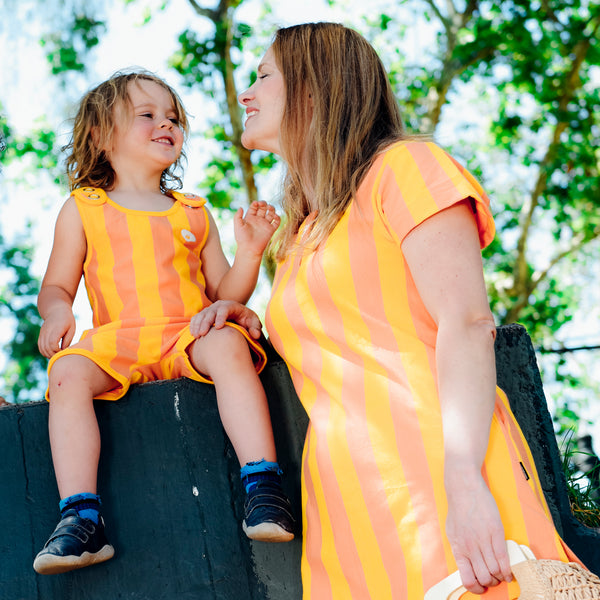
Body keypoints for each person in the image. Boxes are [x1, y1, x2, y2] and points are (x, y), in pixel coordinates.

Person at [227, 21, 588, 599]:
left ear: (316, 89)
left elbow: (467, 322)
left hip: (443, 487)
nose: (246, 93)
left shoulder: (406, 168)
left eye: (264, 76)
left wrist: (466, 484)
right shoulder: (298, 237)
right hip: (348, 520)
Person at [33, 69, 294, 576]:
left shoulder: (194, 212)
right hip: (117, 341)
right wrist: (58, 311)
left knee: (228, 344)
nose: (165, 124)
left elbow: (225, 296)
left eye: (172, 117)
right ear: (99, 136)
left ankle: (263, 486)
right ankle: (81, 518)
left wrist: (252, 252)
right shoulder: (83, 208)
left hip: (186, 333)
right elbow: (57, 286)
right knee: (66, 372)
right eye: (147, 115)